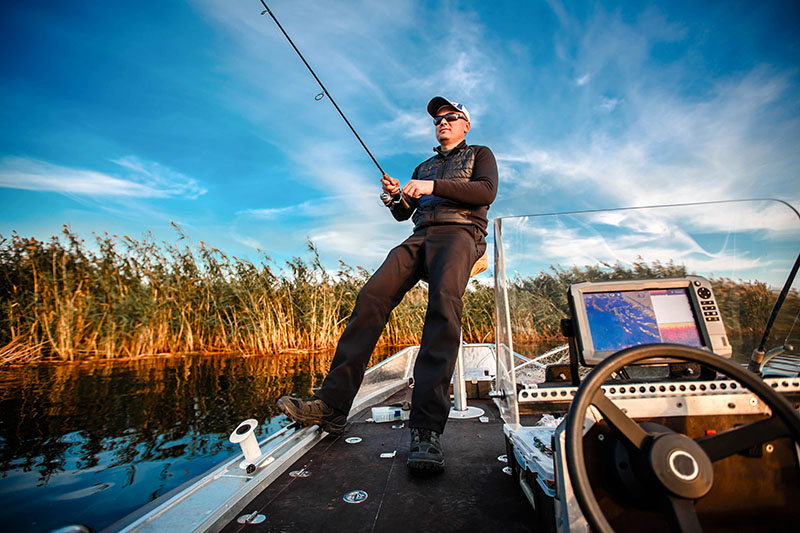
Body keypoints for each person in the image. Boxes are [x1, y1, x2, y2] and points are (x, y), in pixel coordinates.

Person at [278, 96, 498, 471]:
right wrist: (395, 196)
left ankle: (426, 430)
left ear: (466, 125)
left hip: (461, 233)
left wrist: (430, 186)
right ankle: (332, 406)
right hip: (419, 237)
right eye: (438, 119)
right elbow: (402, 214)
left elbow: (485, 192)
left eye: (451, 117)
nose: (442, 122)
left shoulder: (480, 153)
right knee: (370, 298)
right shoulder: (423, 165)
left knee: (443, 307)